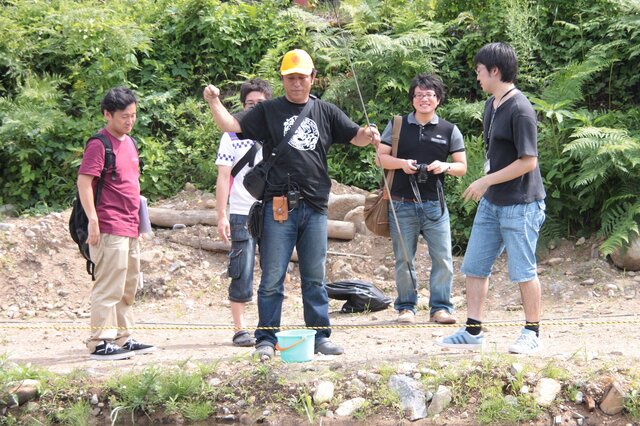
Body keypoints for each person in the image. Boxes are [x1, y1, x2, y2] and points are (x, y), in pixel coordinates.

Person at [204, 49, 380, 360]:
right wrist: (214, 102)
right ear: (283, 79)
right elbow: (231, 125)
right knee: (273, 276)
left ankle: (320, 336)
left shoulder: (325, 111)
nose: (296, 83)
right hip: (277, 205)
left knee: (314, 276)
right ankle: (266, 339)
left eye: (302, 77)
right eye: (290, 78)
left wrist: (369, 133)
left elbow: (356, 136)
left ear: (313, 78)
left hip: (314, 206)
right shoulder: (268, 110)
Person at [437, 42, 546, 354]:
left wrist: (485, 180)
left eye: (479, 72)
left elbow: (529, 161)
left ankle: (532, 331)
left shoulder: (521, 109)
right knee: (474, 266)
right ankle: (473, 330)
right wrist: (487, 184)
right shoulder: (491, 105)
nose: (477, 77)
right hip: (493, 202)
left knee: (524, 270)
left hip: (522, 204)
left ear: (495, 71)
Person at [377, 73, 467, 326]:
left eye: (429, 95)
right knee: (404, 259)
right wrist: (402, 164)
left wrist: (444, 166)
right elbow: (381, 158)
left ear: (438, 99)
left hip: (434, 205)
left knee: (443, 258)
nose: (424, 99)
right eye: (419, 95)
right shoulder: (397, 125)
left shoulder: (449, 129)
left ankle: (440, 308)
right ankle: (406, 307)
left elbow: (461, 166)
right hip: (401, 203)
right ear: (412, 99)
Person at [77, 87, 155, 360]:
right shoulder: (100, 144)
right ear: (107, 114)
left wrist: (139, 224)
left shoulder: (130, 142)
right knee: (109, 285)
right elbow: (84, 182)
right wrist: (93, 221)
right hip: (109, 224)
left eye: (133, 115)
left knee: (128, 285)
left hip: (130, 225)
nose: (130, 121)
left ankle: (124, 336)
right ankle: (99, 341)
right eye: (124, 116)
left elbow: (131, 184)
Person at [215, 78, 272, 347]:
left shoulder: (276, 132)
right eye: (249, 104)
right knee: (242, 268)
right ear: (242, 106)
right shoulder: (231, 136)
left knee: (273, 269)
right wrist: (221, 214)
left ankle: (268, 326)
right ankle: (240, 329)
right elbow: (223, 176)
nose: (254, 108)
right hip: (240, 211)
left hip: (273, 210)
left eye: (260, 104)